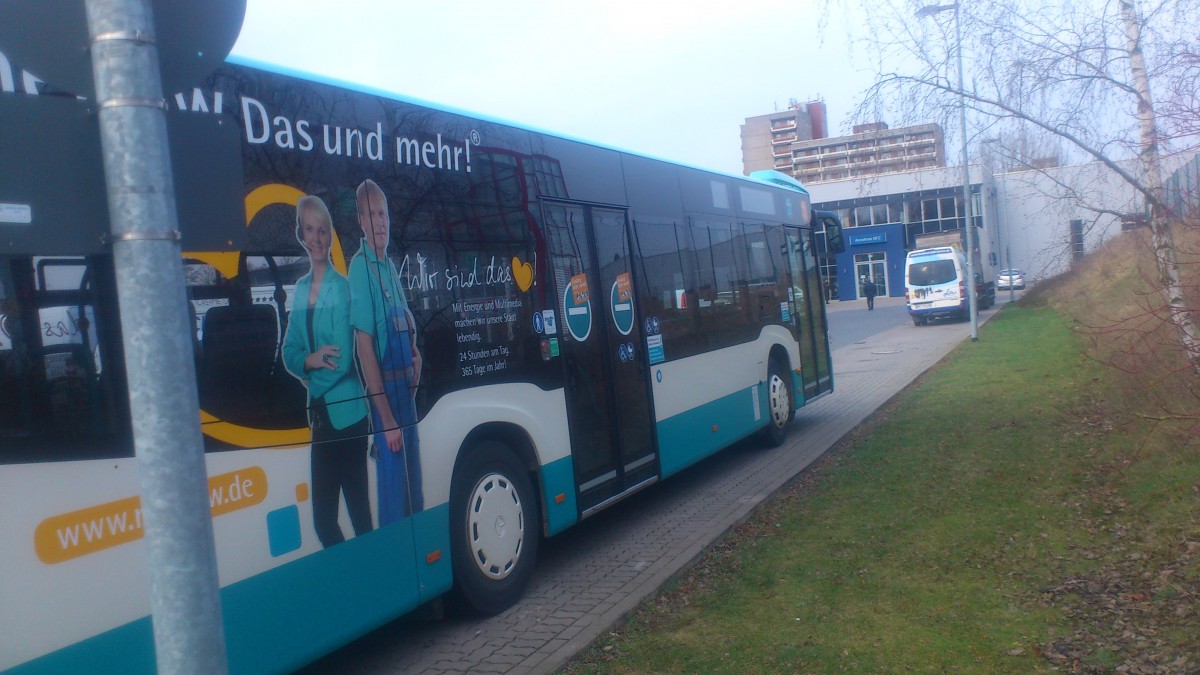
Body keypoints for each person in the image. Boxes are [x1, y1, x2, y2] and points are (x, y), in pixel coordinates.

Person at [282, 195, 373, 547]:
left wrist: (311, 367)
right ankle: (355, 578)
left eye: (323, 230)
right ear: (301, 234)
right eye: (310, 229)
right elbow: (289, 351)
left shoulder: (342, 288)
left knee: (360, 516)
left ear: (330, 235)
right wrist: (308, 359)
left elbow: (341, 362)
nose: (317, 238)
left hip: (348, 416)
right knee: (323, 522)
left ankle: (371, 580)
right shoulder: (302, 289)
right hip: (321, 419)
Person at [348, 179, 423, 526]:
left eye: (384, 214)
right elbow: (365, 350)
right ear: (361, 222)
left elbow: (406, 323)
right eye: (373, 215)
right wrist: (389, 422)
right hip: (388, 410)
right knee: (394, 501)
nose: (381, 222)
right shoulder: (360, 268)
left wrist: (415, 355)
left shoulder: (390, 267)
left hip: (406, 403)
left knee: (415, 496)